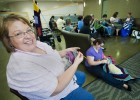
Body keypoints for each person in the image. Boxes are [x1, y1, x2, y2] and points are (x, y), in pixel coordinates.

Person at [0, 14, 94, 100]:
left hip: (58, 75)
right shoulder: (21, 67)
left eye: (28, 30)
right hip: (56, 93)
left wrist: (65, 51)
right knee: (89, 98)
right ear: (8, 41)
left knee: (81, 76)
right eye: (18, 34)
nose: (28, 36)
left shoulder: (37, 44)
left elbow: (52, 54)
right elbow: (56, 88)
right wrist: (76, 63)